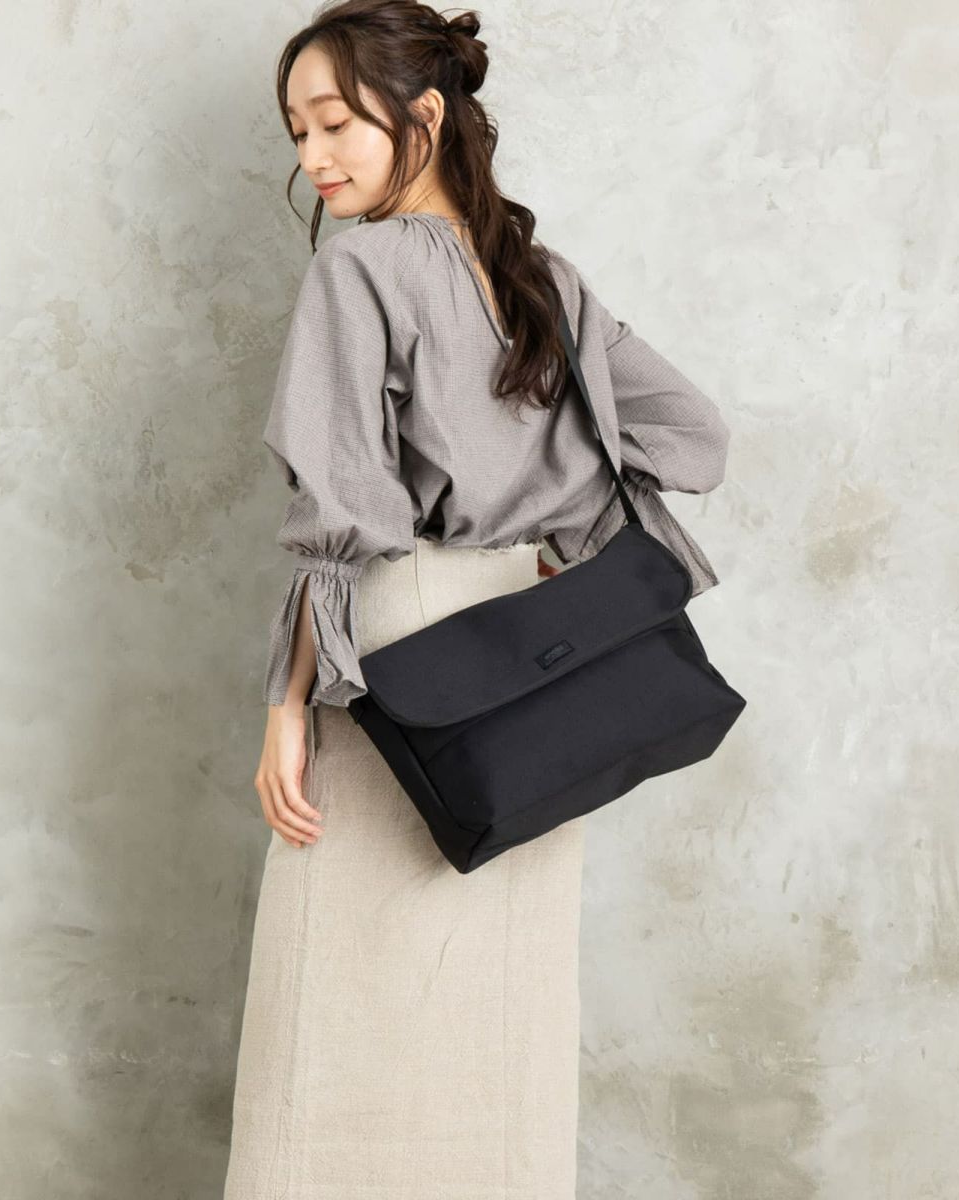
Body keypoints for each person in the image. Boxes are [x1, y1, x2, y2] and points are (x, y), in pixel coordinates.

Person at [225, 2, 731, 1196]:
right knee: (498, 994)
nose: (314, 156)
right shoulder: (542, 279)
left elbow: (342, 514)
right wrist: (563, 524)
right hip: (535, 640)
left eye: (336, 122)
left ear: (427, 114)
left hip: (400, 639)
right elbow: (692, 435)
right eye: (298, 132)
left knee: (338, 989)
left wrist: (287, 705)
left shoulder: (359, 268)